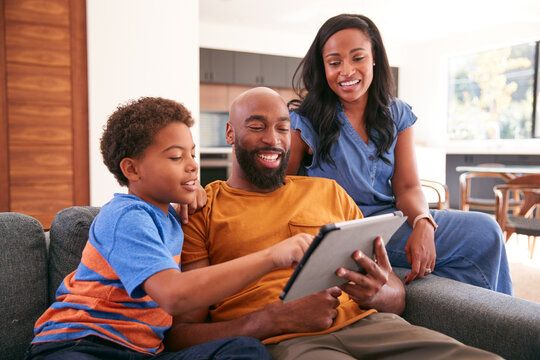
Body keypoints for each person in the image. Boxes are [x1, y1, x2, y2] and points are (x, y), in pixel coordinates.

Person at [165, 87, 502, 359]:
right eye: (256, 127)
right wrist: (270, 320)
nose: (273, 139)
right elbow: (181, 335)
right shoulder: (202, 209)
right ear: (230, 132)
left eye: (283, 128)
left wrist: (381, 293)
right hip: (287, 341)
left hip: (375, 326)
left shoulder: (329, 192)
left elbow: (396, 296)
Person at [24, 97, 313, 360]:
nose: (192, 167)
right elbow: (175, 295)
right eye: (176, 157)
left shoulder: (171, 217)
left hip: (145, 352)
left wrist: (189, 195)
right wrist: (272, 256)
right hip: (83, 345)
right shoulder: (125, 217)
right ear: (132, 170)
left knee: (245, 349)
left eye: (192, 154)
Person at [287, 13, 512, 294]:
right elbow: (279, 192)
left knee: (484, 229)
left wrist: (423, 222)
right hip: (341, 235)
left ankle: (476, 319)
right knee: (482, 237)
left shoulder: (397, 113)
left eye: (357, 58)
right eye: (334, 62)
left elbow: (407, 187)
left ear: (374, 59)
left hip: (392, 223)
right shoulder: (303, 121)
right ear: (323, 67)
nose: (346, 71)